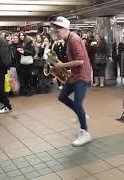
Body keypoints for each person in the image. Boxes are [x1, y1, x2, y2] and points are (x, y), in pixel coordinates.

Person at [51, 16, 92, 146]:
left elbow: (80, 61)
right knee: (62, 97)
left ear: (65, 29)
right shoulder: (68, 39)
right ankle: (82, 115)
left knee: (78, 103)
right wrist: (63, 66)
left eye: (58, 30)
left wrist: (61, 66)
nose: (56, 33)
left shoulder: (74, 39)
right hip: (75, 74)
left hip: (82, 76)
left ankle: (85, 133)